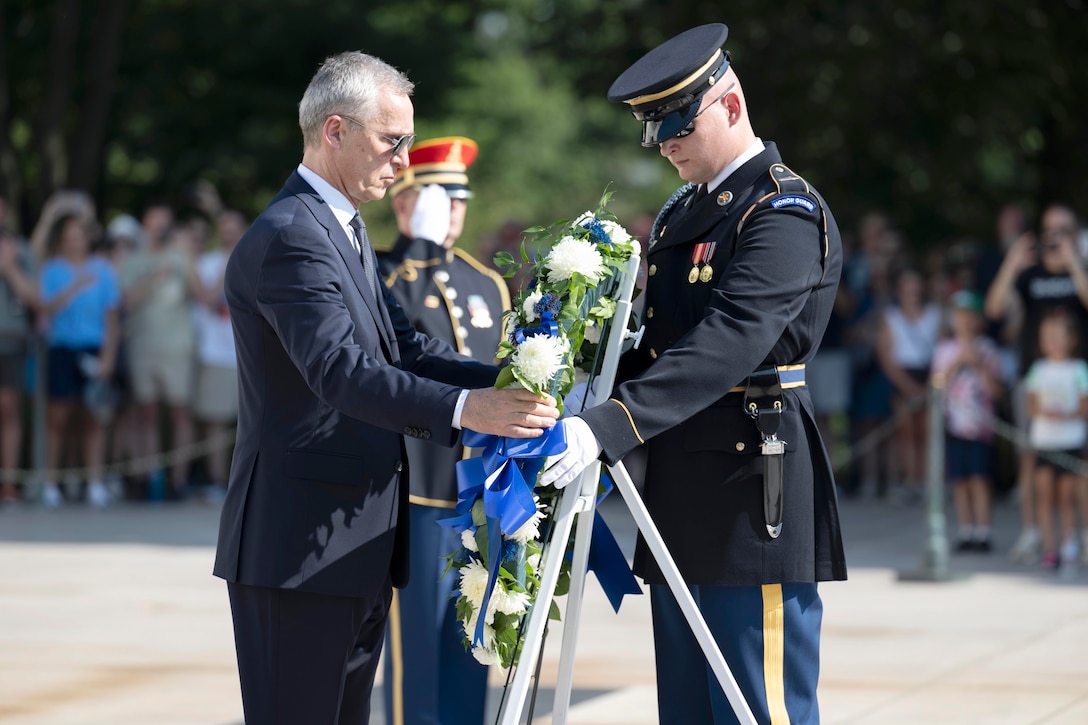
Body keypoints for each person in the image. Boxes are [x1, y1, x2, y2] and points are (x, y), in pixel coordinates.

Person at [210, 51, 558, 725]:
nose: (403, 160)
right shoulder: (292, 235)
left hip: (351, 545)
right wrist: (470, 409)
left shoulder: (341, 230)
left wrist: (521, 385)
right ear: (335, 131)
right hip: (300, 550)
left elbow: (411, 350)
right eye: (391, 140)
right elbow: (340, 371)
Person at [542, 24, 846, 725]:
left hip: (751, 492)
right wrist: (576, 384)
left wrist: (610, 424)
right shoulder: (687, 209)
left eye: (678, 122)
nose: (665, 142)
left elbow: (732, 338)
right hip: (679, 486)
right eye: (655, 129)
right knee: (687, 707)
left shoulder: (781, 210)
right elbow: (661, 341)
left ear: (731, 105)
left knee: (757, 705)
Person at [376, 136, 509, 725]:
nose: (452, 211)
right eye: (436, 199)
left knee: (473, 638)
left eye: (458, 201)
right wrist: (420, 248)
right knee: (418, 653)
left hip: (480, 492)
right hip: (417, 489)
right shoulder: (382, 271)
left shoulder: (488, 284)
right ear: (403, 203)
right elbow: (394, 349)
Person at [985, 202, 1088, 563]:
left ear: (1074, 233)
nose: (1054, 238)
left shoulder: (1081, 272)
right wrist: (1012, 263)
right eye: (1049, 231)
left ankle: (1081, 534)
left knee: (1081, 465)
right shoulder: (1030, 275)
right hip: (1034, 381)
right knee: (1031, 460)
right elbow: (994, 309)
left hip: (1079, 382)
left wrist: (1074, 263)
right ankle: (1034, 532)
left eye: (1062, 230)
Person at [37, 212, 121, 508]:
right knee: (57, 418)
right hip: (62, 349)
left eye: (79, 236)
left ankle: (94, 482)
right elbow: (45, 308)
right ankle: (50, 483)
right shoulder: (52, 270)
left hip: (92, 350)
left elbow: (112, 317)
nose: (75, 241)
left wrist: (108, 357)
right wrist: (74, 286)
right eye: (69, 236)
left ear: (87, 238)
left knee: (93, 418)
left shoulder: (104, 270)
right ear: (62, 239)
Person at [117, 218, 199, 499]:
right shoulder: (133, 260)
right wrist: (155, 276)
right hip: (142, 346)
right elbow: (125, 302)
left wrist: (186, 257)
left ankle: (179, 481)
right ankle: (151, 478)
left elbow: (204, 295)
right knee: (146, 413)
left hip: (177, 347)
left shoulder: (182, 257)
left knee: (179, 413)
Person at [930, 290, 1004, 552]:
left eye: (969, 316)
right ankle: (966, 529)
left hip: (981, 427)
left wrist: (978, 365)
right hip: (953, 425)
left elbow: (996, 390)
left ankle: (983, 531)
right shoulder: (945, 349)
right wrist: (957, 362)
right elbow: (936, 386)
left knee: (979, 478)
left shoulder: (988, 349)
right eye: (958, 315)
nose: (963, 321)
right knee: (960, 480)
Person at [1023, 309, 1088, 571]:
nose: (1051, 341)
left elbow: (1084, 405)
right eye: (1046, 336)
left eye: (1056, 336)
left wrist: (1067, 414)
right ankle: (1049, 548)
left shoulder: (1079, 368)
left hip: (1070, 440)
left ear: (1070, 339)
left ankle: (1068, 544)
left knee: (1067, 497)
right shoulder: (1038, 368)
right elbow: (1030, 404)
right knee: (1044, 497)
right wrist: (1044, 412)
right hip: (1044, 441)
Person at [190, 208, 246, 499]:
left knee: (247, 423)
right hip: (215, 353)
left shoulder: (254, 258)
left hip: (246, 354)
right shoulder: (207, 263)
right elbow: (207, 300)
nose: (229, 234)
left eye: (234, 228)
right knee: (215, 422)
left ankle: (241, 481)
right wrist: (228, 264)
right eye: (224, 228)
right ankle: (214, 481)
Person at [877, 267, 942, 505]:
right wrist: (908, 387)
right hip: (903, 377)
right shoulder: (891, 317)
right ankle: (910, 481)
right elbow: (886, 356)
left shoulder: (934, 314)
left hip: (929, 376)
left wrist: (929, 385)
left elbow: (941, 349)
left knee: (928, 433)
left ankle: (928, 482)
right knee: (906, 434)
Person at [0, 224, 37, 503]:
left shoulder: (22, 258)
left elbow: (36, 299)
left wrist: (10, 268)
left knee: (9, 411)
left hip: (12, 346)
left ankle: (9, 482)